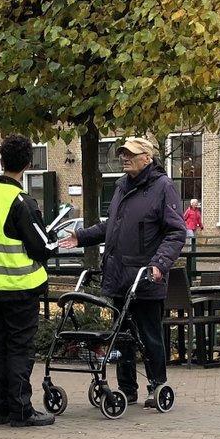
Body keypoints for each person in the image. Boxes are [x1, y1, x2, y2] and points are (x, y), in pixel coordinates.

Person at [59, 135, 186, 408]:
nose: (124, 158)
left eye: (131, 154)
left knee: (149, 335)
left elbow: (176, 232)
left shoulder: (163, 187)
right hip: (119, 276)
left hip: (146, 277)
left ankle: (157, 385)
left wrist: (159, 264)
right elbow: (110, 227)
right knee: (122, 336)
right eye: (123, 154)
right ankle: (127, 389)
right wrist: (81, 237)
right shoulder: (121, 187)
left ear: (147, 158)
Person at [0, 134, 57, 428]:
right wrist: (54, 240)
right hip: (21, 287)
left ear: (1, 160)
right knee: (20, 349)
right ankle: (21, 409)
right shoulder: (22, 202)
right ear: (28, 164)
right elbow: (42, 247)